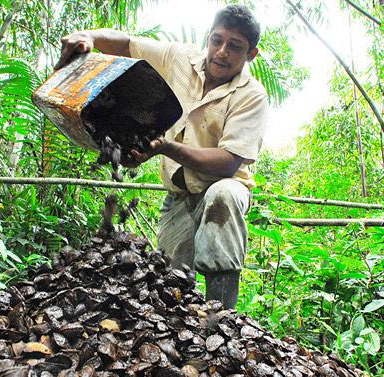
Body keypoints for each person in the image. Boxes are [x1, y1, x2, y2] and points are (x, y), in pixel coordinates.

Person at [55, 5, 268, 309]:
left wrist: (166, 147)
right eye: (217, 40)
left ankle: (223, 320)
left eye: (234, 47)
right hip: (179, 194)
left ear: (251, 54)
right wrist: (88, 36)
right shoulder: (180, 58)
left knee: (222, 197)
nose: (221, 52)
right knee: (173, 282)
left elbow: (229, 162)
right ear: (209, 37)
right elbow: (127, 44)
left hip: (226, 184)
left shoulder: (252, 96)